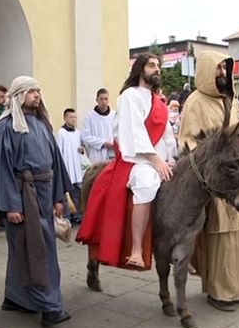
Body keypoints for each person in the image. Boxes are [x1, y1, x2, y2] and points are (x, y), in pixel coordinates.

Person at [178, 51, 239, 312]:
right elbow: (187, 142)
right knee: (224, 238)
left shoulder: (230, 99)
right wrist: (213, 158)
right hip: (218, 183)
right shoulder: (195, 103)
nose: (222, 74)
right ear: (206, 70)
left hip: (237, 176)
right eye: (217, 69)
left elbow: (235, 135)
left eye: (224, 69)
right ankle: (222, 293)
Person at [0, 76, 72, 326]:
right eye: (31, 91)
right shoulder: (6, 127)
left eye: (38, 90)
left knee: (26, 249)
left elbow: (55, 162)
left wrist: (57, 197)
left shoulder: (43, 124)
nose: (36, 95)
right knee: (35, 251)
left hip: (45, 195)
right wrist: (11, 204)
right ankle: (50, 307)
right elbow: (2, 168)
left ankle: (16, 298)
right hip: (23, 197)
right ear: (19, 95)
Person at [77, 53, 177, 269]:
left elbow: (168, 135)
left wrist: (171, 159)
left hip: (159, 160)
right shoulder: (129, 96)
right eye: (151, 65)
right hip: (136, 161)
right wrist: (156, 161)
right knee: (147, 182)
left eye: (158, 66)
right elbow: (135, 133)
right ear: (140, 69)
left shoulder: (158, 102)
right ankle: (137, 249)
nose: (157, 69)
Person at [56, 108, 84, 224]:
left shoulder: (78, 133)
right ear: (65, 118)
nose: (73, 120)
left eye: (75, 117)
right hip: (66, 167)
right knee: (65, 194)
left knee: (77, 193)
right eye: (71, 117)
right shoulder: (60, 133)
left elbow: (82, 149)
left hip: (76, 168)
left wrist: (82, 150)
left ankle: (77, 214)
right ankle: (67, 216)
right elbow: (59, 152)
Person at [81, 88, 115, 163]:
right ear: (97, 100)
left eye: (106, 99)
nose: (104, 102)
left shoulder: (114, 115)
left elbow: (119, 132)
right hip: (96, 154)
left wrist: (113, 144)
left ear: (109, 100)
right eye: (101, 99)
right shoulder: (89, 116)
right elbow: (85, 136)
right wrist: (103, 143)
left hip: (111, 153)